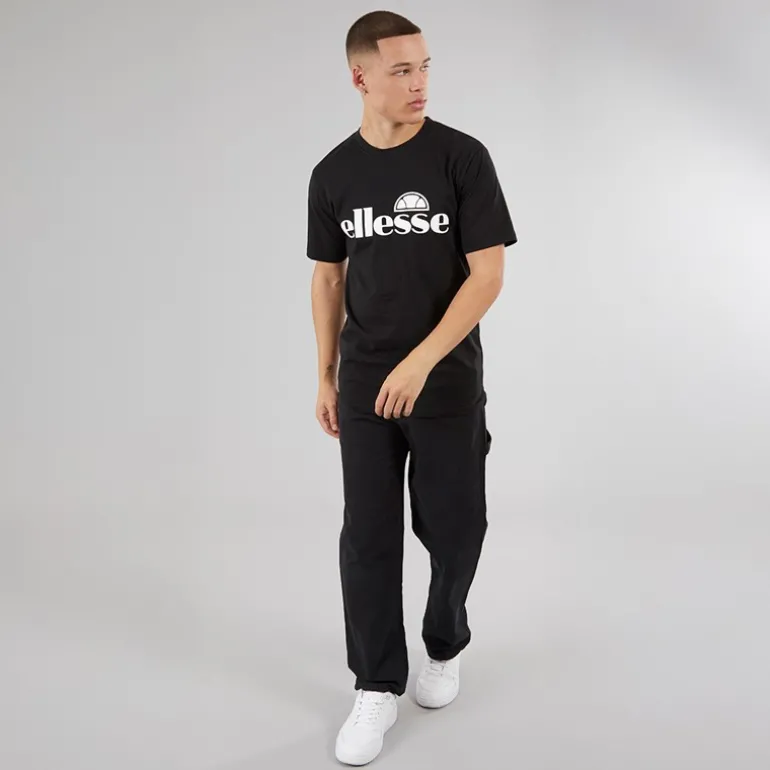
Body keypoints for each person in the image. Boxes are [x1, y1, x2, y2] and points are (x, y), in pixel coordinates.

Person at [306, 10, 518, 766]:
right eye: (401, 70)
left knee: (456, 528)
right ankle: (374, 685)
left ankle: (444, 640)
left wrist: (422, 360)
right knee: (368, 537)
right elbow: (328, 278)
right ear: (360, 77)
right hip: (366, 385)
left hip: (445, 381)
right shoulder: (333, 174)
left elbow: (487, 276)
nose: (419, 82)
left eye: (424, 66)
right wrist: (325, 373)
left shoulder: (462, 159)